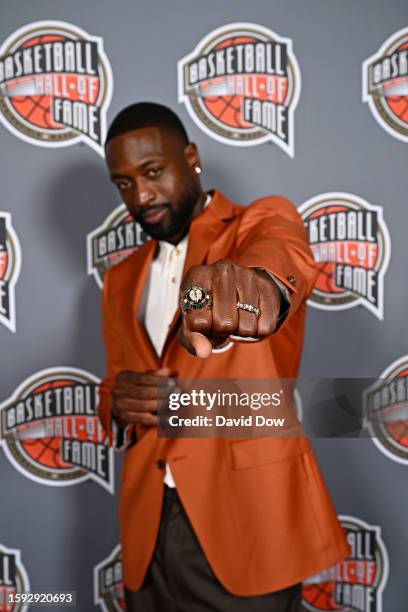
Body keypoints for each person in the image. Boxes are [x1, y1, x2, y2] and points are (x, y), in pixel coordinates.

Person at [98, 102, 349, 612]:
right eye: (123, 183)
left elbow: (278, 262)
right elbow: (114, 384)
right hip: (147, 528)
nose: (140, 196)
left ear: (191, 158)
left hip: (245, 521)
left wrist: (255, 289)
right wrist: (118, 404)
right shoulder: (120, 279)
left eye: (152, 172)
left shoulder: (257, 223)